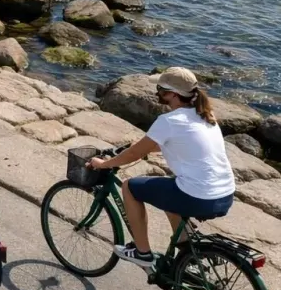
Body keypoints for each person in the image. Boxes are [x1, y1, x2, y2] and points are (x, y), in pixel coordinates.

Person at [87, 68, 235, 268]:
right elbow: (180, 143)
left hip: (197, 196)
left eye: (160, 89)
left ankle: (142, 253)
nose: (157, 93)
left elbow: (132, 155)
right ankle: (187, 248)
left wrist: (104, 164)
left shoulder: (169, 121)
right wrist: (146, 147)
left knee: (130, 187)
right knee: (166, 189)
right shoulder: (206, 114)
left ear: (172, 95)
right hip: (224, 195)